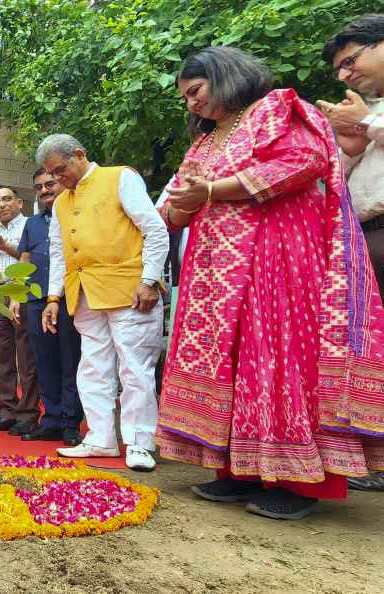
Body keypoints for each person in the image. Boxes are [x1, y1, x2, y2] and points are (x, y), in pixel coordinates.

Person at [157, 46, 384, 519]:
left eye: (195, 92)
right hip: (215, 276)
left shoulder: (277, 109)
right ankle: (238, 471)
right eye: (185, 98)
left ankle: (298, 481)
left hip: (276, 257)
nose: (191, 104)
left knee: (276, 354)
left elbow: (302, 162)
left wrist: (213, 190)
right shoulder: (203, 142)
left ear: (224, 77)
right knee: (234, 361)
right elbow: (180, 205)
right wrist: (180, 204)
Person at [37, 134, 167, 471]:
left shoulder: (120, 177)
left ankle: (140, 442)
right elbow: (57, 252)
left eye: (60, 170)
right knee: (92, 367)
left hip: (130, 291)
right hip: (83, 293)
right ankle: (100, 438)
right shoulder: (62, 202)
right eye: (51, 175)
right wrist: (53, 297)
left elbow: (155, 229)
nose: (57, 180)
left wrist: (150, 280)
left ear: (80, 154)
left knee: (135, 367)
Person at [318, 14, 384, 492]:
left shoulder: (367, 112)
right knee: (368, 350)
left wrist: (361, 122)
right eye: (339, 69)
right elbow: (339, 177)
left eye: (350, 61)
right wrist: (353, 139)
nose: (344, 75)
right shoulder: (368, 110)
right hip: (364, 238)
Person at [11, 168, 83, 446]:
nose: (44, 191)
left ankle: (70, 422)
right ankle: (50, 419)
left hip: (69, 298)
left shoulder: (75, 216)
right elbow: (24, 258)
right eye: (38, 187)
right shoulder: (33, 224)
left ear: (62, 184)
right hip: (35, 300)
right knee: (43, 362)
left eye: (49, 184)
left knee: (70, 361)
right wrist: (17, 294)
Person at [0, 186, 40, 436]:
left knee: (26, 357)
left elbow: (31, 258)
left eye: (6, 199)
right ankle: (6, 411)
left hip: (20, 291)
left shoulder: (30, 225)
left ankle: (28, 414)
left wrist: (3, 247)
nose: (1, 204)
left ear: (20, 202)